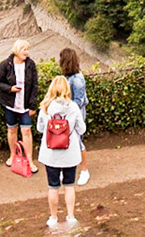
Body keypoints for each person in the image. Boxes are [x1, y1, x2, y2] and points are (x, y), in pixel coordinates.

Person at [36, 74, 86, 229]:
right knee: (69, 186)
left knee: (53, 187)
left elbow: (39, 128)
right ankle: (70, 217)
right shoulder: (73, 107)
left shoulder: (45, 107)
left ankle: (53, 218)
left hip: (51, 155)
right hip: (70, 154)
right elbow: (82, 129)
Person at [0, 39, 39, 174]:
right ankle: (13, 155)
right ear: (17, 50)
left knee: (26, 131)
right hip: (10, 105)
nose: (27, 52)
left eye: (27, 49)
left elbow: (34, 86)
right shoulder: (6, 64)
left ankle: (30, 160)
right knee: (12, 129)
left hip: (25, 105)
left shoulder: (31, 65)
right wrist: (10, 89)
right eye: (24, 49)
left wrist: (32, 106)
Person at [57, 47, 92, 185]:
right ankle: (66, 169)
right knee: (68, 141)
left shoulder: (76, 79)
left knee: (77, 141)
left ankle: (84, 171)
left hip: (75, 114)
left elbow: (79, 101)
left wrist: (68, 114)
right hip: (71, 113)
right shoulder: (72, 77)